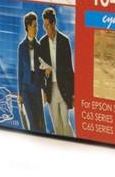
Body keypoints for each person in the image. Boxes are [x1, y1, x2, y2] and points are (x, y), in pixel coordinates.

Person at [39, 8, 74, 137]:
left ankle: (71, 143)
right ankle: (60, 145)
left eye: (47, 25)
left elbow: (69, 69)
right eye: (44, 25)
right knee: (57, 124)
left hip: (64, 88)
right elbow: (40, 70)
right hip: (51, 90)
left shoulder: (64, 41)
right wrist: (44, 90)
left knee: (65, 122)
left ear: (53, 23)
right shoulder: (42, 43)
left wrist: (73, 94)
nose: (45, 28)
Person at [17, 12, 46, 133]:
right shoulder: (21, 47)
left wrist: (44, 90)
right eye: (34, 26)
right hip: (26, 89)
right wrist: (20, 93)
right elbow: (20, 71)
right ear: (28, 27)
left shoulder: (39, 47)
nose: (36, 29)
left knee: (40, 122)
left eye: (37, 26)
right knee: (32, 122)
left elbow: (43, 71)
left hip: (37, 88)